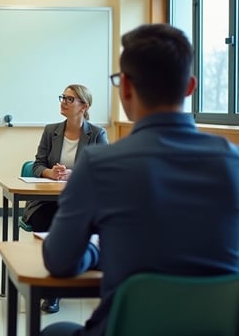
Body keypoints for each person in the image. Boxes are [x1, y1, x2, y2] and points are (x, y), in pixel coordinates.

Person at [40, 23, 239, 336]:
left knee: (54, 331)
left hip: (125, 329)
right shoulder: (233, 164)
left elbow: (59, 261)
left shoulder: (99, 164)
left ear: (127, 88)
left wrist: (98, 250)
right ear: (189, 87)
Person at [22, 84, 108, 313]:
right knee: (43, 221)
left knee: (80, 225)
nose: (64, 102)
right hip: (47, 201)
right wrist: (50, 173)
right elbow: (38, 164)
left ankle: (55, 291)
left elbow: (102, 169)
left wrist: (75, 174)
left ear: (84, 106)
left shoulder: (97, 134)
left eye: (70, 99)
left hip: (80, 202)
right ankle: (48, 285)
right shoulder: (51, 131)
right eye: (63, 98)